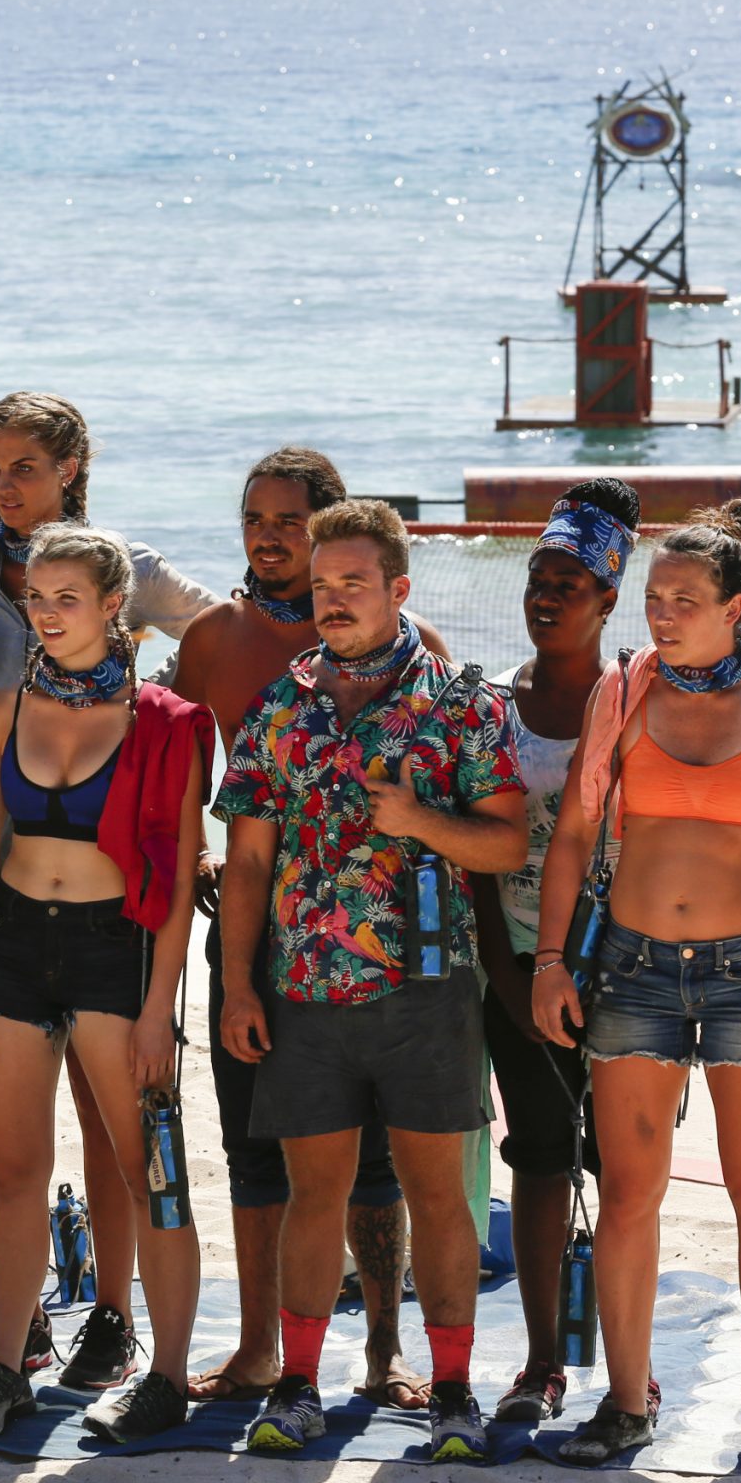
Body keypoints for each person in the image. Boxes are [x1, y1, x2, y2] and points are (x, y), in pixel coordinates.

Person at [532, 499, 741, 1472]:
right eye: (653, 598)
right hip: (630, 972)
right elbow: (577, 836)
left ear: (736, 605)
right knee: (629, 1199)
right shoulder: (620, 693)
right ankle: (626, 1409)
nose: (661, 615)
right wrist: (550, 960)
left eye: (684, 600)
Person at [0, 391, 217, 1390]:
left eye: (24, 466)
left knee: (135, 1159)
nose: (6, 483)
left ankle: (133, 1337)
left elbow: (221, 627)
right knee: (12, 1172)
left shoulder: (160, 712)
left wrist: (162, 1006)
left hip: (108, 942)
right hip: (6, 931)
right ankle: (9, 1353)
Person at [215, 500, 527, 1465]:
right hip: (304, 986)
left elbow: (509, 839)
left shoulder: (463, 705)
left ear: (400, 589)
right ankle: (300, 1386)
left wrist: (421, 821)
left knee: (439, 1199)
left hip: (427, 992)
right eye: (321, 586)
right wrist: (236, 987)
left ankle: (454, 1393)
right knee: (317, 1195)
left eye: (354, 584)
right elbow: (250, 866)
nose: (334, 601)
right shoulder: (280, 708)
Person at [169, 447, 445, 1410]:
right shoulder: (212, 638)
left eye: (290, 520)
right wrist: (191, 864)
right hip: (257, 937)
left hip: (377, 949)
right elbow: (173, 768)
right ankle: (257, 1347)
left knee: (373, 1156)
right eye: (255, 517)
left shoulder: (421, 650)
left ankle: (382, 1348)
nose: (268, 536)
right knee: (255, 1144)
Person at [466, 479, 639, 1426]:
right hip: (518, 968)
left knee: (623, 1168)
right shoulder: (493, 704)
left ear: (608, 598)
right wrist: (508, 966)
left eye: (569, 581)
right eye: (538, 576)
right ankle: (538, 1362)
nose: (547, 593)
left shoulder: (638, 700)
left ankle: (627, 1365)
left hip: (624, 973)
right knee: (536, 1157)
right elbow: (471, 851)